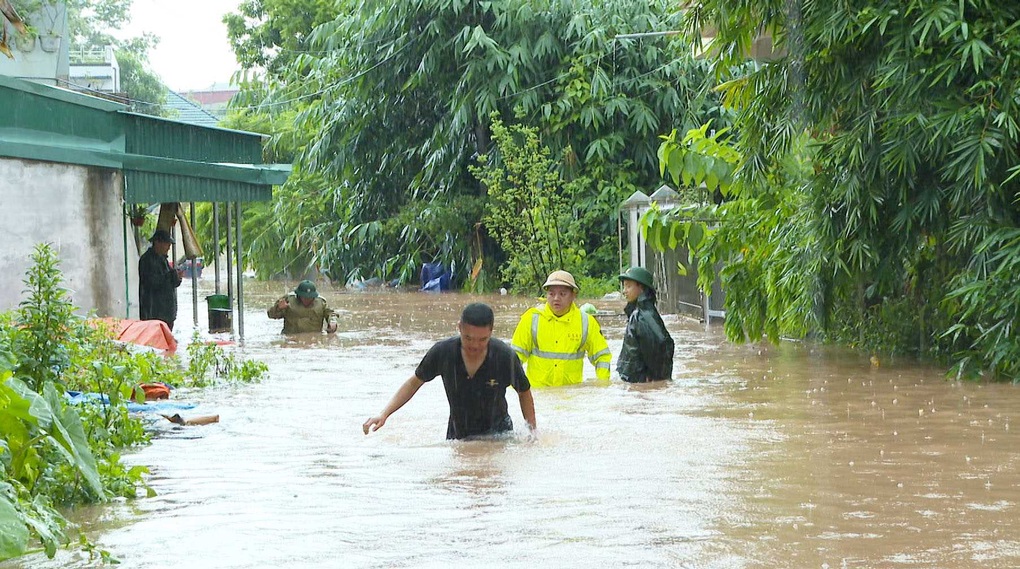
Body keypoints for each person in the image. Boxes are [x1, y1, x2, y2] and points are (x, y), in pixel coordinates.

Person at [363, 303, 536, 440]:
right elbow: (413, 383)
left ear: (491, 332)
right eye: (468, 338)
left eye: (482, 339)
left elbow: (524, 392)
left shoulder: (504, 356)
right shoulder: (443, 352)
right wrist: (384, 414)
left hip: (498, 435)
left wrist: (532, 432)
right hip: (457, 436)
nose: (475, 345)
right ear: (459, 327)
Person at [511, 270, 612, 387]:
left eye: (562, 294)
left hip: (572, 393)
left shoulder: (586, 322)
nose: (556, 298)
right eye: (551, 294)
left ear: (573, 295)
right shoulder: (531, 319)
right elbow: (515, 357)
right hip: (538, 393)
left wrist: (602, 383)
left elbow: (602, 356)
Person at [617, 266, 674, 383]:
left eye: (628, 286)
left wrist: (652, 376)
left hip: (640, 383)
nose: (624, 291)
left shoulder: (641, 316)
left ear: (641, 287)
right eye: (624, 286)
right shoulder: (641, 313)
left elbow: (663, 343)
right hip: (636, 382)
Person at [138, 229, 183, 330]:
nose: (169, 247)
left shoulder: (163, 259)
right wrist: (171, 275)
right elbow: (152, 283)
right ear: (157, 243)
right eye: (167, 244)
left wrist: (177, 277)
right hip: (154, 313)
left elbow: (171, 283)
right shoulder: (146, 260)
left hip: (166, 313)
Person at [267, 280, 338, 334]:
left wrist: (332, 322)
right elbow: (270, 315)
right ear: (298, 295)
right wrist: (278, 308)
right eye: (304, 297)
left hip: (314, 339)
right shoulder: (288, 300)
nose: (307, 299)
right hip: (291, 338)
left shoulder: (321, 303)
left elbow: (331, 313)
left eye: (310, 297)